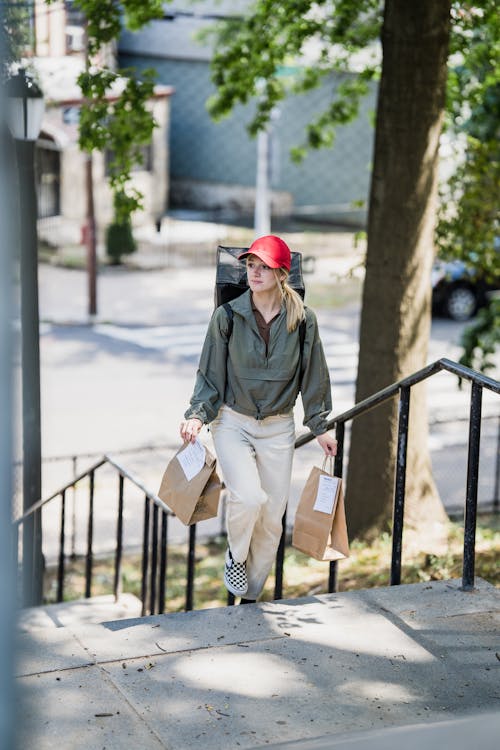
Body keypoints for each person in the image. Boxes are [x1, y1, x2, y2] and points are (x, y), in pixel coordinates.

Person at [179, 235, 337, 603]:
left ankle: (250, 597)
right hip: (232, 421)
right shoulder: (228, 317)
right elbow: (210, 374)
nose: (255, 271)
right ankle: (235, 557)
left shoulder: (303, 321)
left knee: (271, 518)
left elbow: (314, 375)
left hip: (279, 426)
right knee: (248, 497)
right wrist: (196, 416)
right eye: (250, 265)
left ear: (282, 273)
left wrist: (320, 426)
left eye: (263, 266)